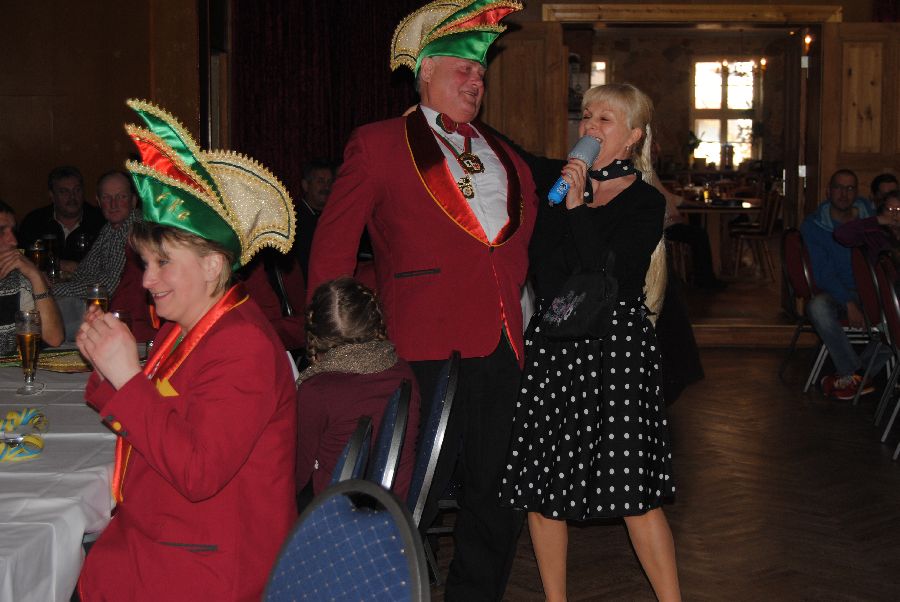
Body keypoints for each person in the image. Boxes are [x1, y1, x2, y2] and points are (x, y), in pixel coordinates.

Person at [307, 1, 536, 598]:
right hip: (419, 344)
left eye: (481, 72)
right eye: (463, 69)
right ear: (426, 71)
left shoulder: (507, 156)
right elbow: (332, 246)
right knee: (405, 493)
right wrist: (334, 342)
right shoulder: (378, 144)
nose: (476, 81)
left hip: (503, 345)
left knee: (497, 496)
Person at [75, 99, 298, 601]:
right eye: (144, 263)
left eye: (162, 263)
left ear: (213, 265)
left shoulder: (242, 344)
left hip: (204, 563)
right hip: (165, 534)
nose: (146, 280)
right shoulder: (188, 326)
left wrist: (126, 377)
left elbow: (198, 472)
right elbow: (158, 418)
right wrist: (105, 365)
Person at [501, 83, 681, 601]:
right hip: (557, 346)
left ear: (633, 137)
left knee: (633, 491)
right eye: (586, 116)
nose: (589, 127)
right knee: (542, 490)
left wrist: (579, 207)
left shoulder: (645, 202)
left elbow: (607, 274)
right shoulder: (558, 193)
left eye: (605, 119)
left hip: (616, 349)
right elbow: (547, 273)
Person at [296, 277, 420, 499]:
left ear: (316, 336)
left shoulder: (317, 390)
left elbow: (297, 472)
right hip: (394, 506)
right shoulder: (403, 371)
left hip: (335, 511)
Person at [801, 169, 886, 400]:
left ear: (856, 192)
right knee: (817, 306)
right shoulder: (813, 225)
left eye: (850, 188)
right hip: (839, 293)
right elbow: (823, 274)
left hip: (875, 291)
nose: (844, 194)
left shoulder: (873, 219)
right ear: (828, 191)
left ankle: (856, 377)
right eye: (839, 187)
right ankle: (856, 372)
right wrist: (848, 302)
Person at [52, 170, 140, 339]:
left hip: (127, 322)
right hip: (109, 316)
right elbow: (83, 271)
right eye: (107, 198)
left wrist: (51, 289)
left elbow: (107, 287)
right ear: (98, 202)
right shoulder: (110, 228)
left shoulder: (134, 230)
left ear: (133, 201)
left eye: (121, 197)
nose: (113, 204)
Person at [0, 200, 64, 353]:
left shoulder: (17, 279)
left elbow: (54, 338)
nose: (14, 241)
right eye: (1, 231)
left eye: (13, 231)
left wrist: (36, 276)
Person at [17, 166, 106, 269]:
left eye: (77, 190)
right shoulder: (35, 222)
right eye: (64, 192)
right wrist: (57, 264)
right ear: (52, 195)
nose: (72, 197)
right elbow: (21, 258)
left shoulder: (100, 221)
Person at [294, 160, 334, 279]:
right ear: (306, 185)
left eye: (330, 182)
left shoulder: (333, 216)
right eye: (320, 181)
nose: (326, 187)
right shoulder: (295, 220)